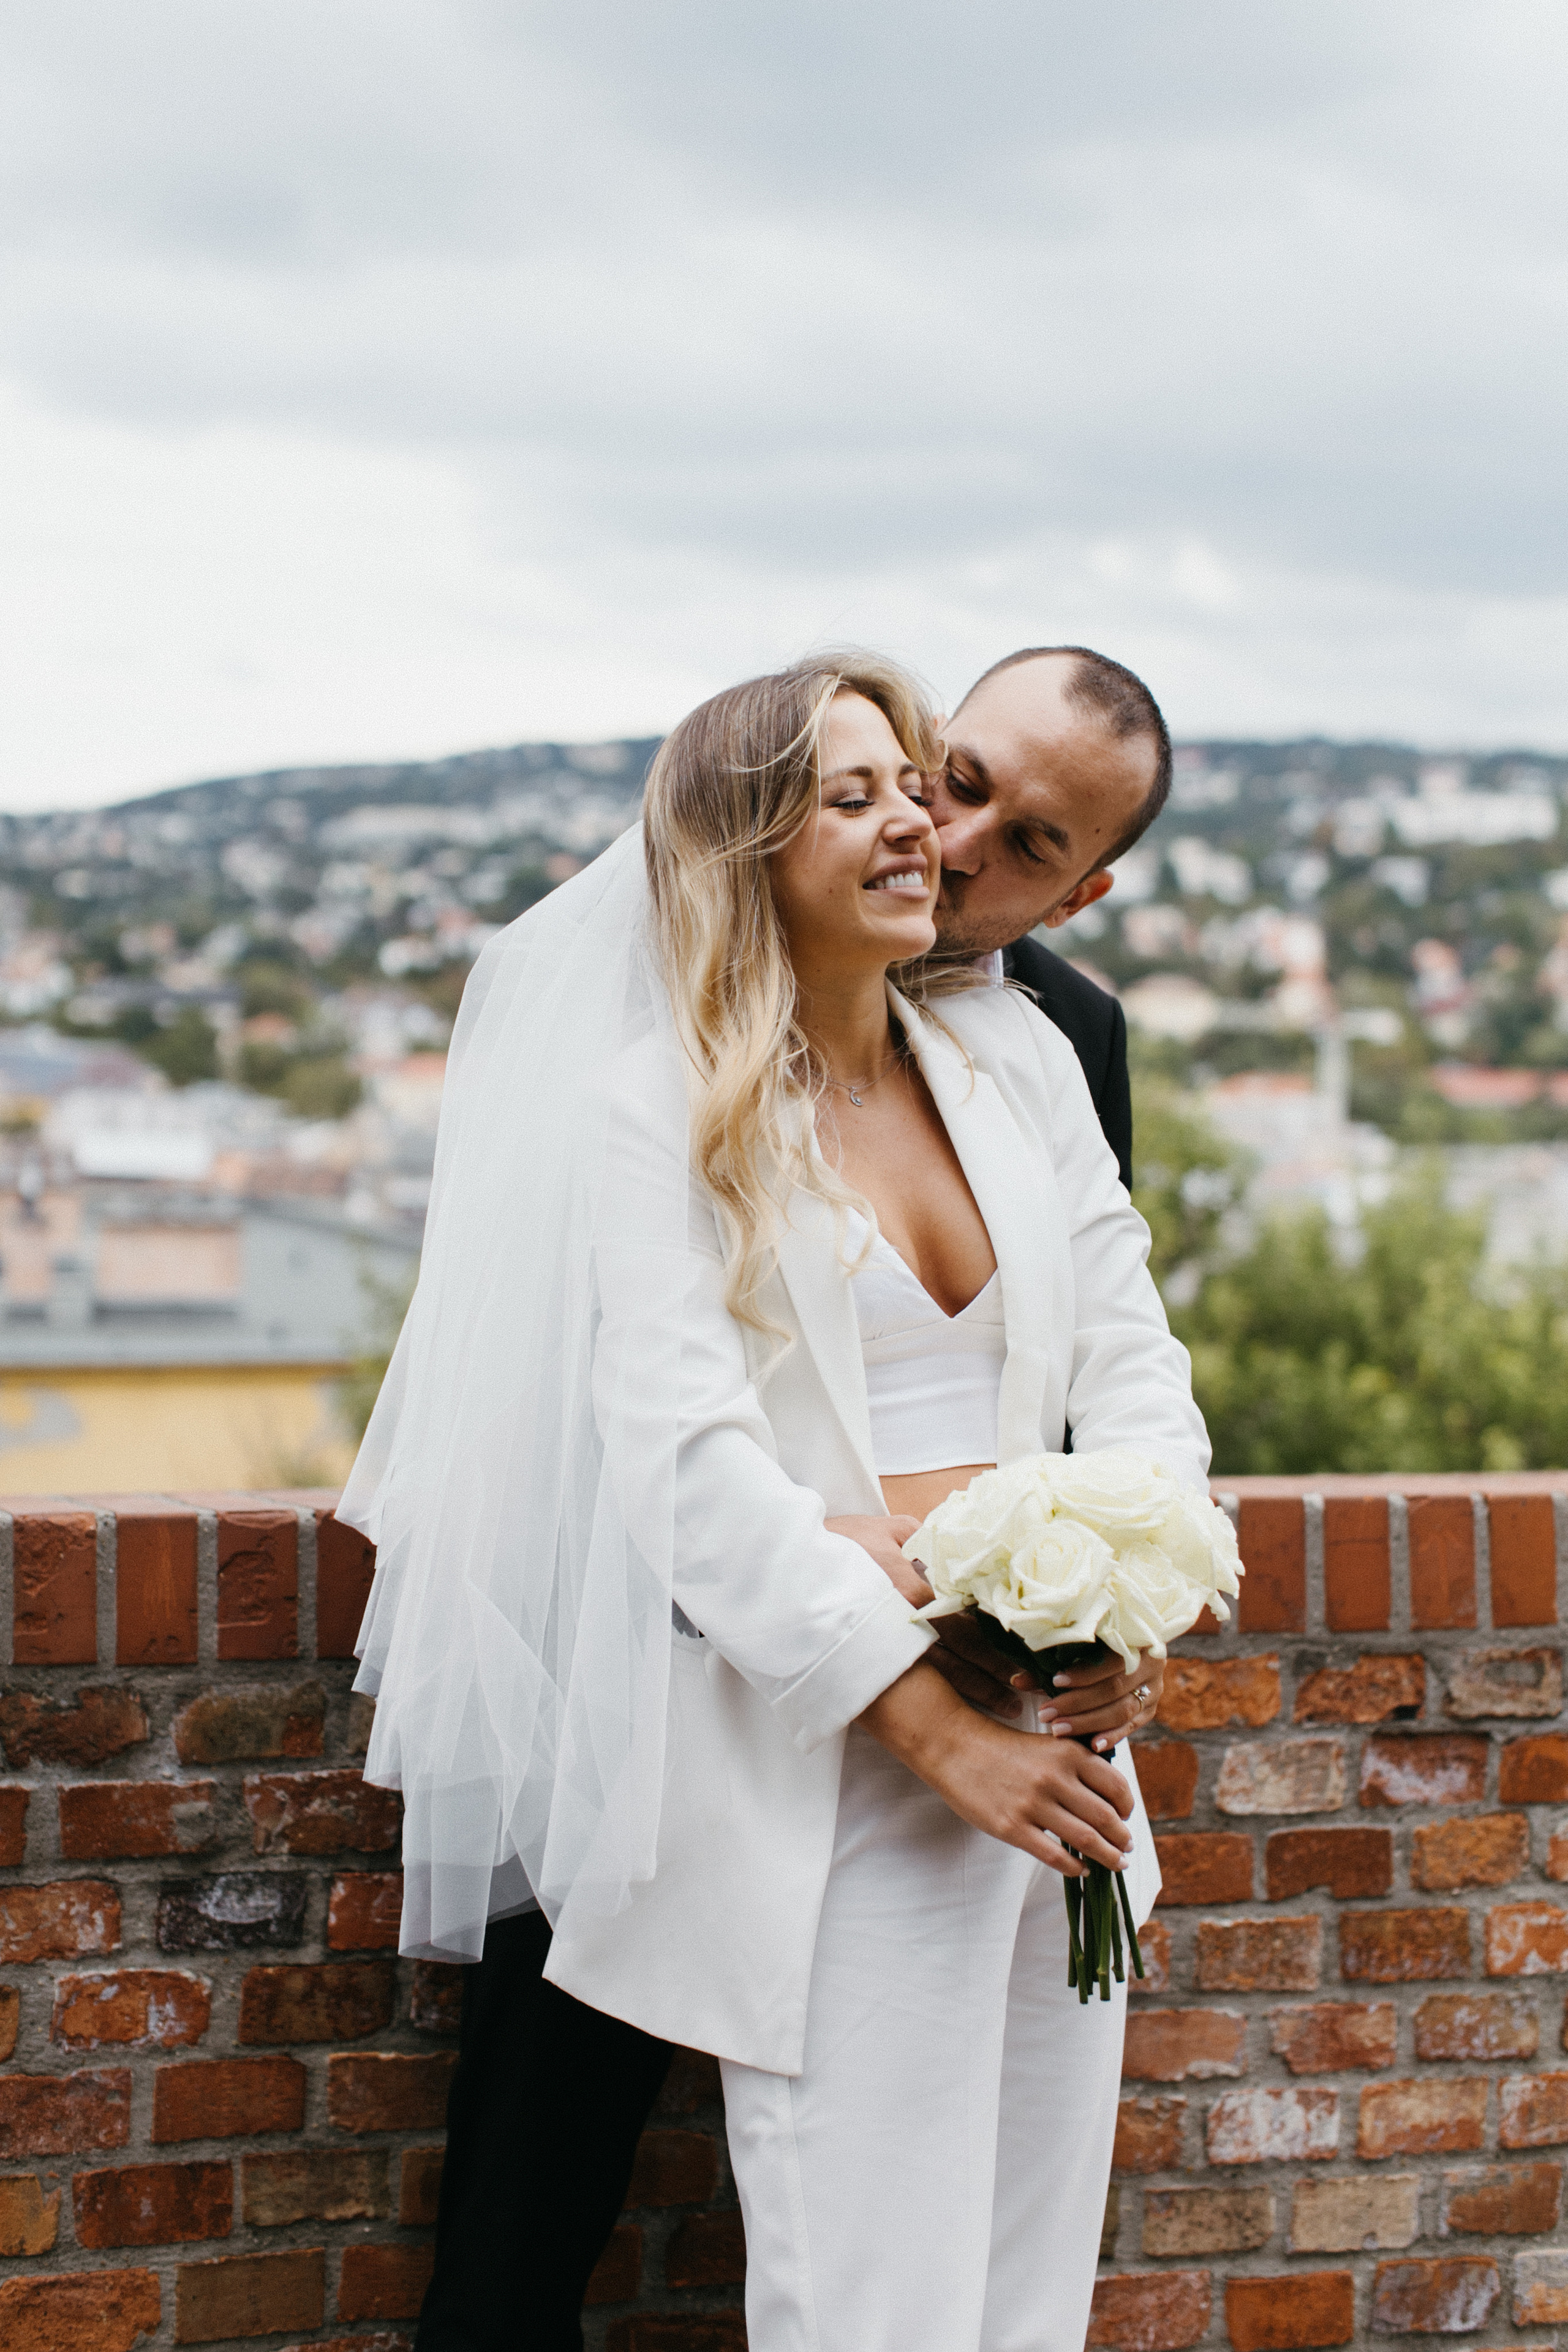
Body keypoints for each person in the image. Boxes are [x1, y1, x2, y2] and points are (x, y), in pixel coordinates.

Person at [379, 646, 1179, 2351]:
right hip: (794, 1749)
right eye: (901, 788)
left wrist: (1133, 1601)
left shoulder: (1033, 1059)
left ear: (1081, 884)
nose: (936, 837)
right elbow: (673, 1449)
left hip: (1067, 1781)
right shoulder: (653, 1098)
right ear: (754, 843)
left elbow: (1131, 1364)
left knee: (1026, 2299)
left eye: (973, 819)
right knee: (862, 2296)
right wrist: (920, 1714)